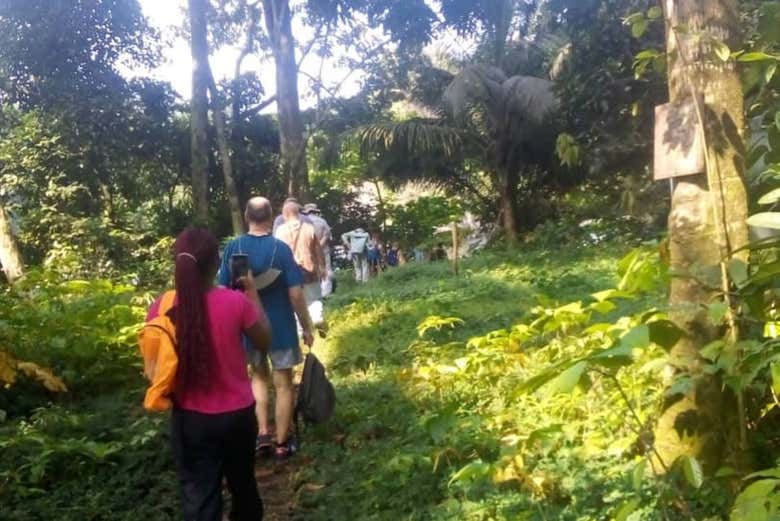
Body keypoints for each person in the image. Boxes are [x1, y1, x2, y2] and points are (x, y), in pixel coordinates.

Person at [147, 227, 271, 521]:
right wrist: (252, 292)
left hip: (190, 420)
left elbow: (153, 369)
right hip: (238, 416)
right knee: (244, 487)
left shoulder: (161, 308)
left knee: (200, 496)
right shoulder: (235, 302)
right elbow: (264, 340)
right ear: (217, 263)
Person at [219, 197, 315, 460]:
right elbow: (295, 294)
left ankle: (262, 434)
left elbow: (223, 290)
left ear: (248, 215)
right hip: (281, 328)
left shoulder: (233, 247)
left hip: (248, 329)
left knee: (258, 378)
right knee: (284, 384)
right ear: (272, 217)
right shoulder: (280, 249)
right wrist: (306, 327)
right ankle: (282, 443)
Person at [274, 200, 326, 332]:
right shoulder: (309, 228)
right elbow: (318, 249)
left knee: (294, 302)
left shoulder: (280, 231)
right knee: (314, 298)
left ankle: (301, 330)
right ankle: (317, 317)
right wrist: (322, 266)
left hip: (290, 272)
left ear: (285, 215)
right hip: (310, 269)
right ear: (298, 213)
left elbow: (277, 254)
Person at [302, 203, 333, 296]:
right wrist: (320, 245)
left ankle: (315, 292)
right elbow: (327, 236)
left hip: (308, 250)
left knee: (312, 270)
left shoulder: (303, 222)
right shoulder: (322, 221)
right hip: (323, 249)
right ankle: (326, 293)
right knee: (326, 268)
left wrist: (312, 247)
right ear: (315, 211)